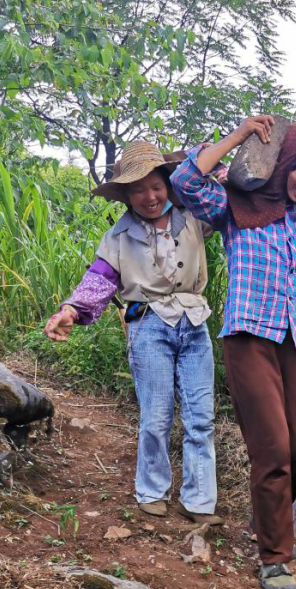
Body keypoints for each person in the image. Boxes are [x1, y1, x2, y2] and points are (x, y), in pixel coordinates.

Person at [170, 115, 296, 589]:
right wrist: (238, 136)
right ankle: (275, 555)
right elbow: (185, 180)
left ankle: (267, 512)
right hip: (251, 336)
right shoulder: (239, 206)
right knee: (273, 451)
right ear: (287, 162)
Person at [44, 140, 222, 525]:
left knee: (200, 416)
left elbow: (221, 193)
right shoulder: (119, 237)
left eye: (156, 186)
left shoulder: (192, 217)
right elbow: (100, 279)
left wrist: (215, 154)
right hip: (148, 325)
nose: (150, 196)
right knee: (156, 415)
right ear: (125, 194)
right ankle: (152, 492)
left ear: (168, 184)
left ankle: (200, 501)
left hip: (194, 322)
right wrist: (70, 310)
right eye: (138, 189)